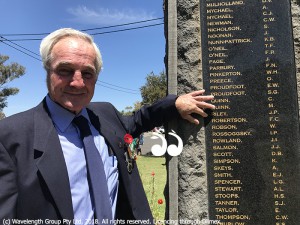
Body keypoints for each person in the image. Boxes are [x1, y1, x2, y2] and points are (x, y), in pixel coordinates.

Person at [0, 28, 215, 224]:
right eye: (65, 70)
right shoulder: (9, 137)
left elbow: (140, 118)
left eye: (87, 73)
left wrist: (174, 104)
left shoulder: (105, 114)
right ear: (48, 71)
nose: (77, 82)